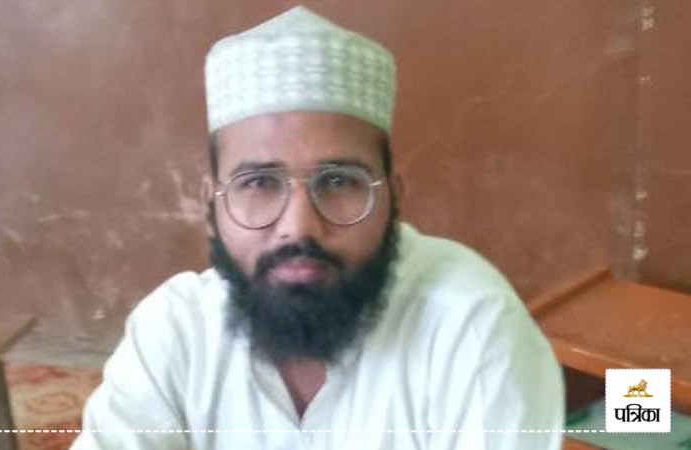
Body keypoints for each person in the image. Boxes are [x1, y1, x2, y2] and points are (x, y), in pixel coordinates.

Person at [72, 6, 565, 450]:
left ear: (394, 195)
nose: (299, 227)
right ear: (212, 201)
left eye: (338, 181)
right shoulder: (175, 332)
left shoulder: (468, 324)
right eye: (259, 182)